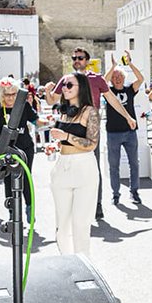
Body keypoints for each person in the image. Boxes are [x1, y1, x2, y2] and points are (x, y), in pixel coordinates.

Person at [46, 48, 132, 221]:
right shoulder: (66, 79)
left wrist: (127, 116)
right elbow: (51, 101)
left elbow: (113, 100)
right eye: (74, 58)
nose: (76, 60)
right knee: (69, 165)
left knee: (93, 166)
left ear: (87, 60)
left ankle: (97, 205)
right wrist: (48, 90)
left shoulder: (96, 79)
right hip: (71, 125)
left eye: (80, 58)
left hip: (90, 126)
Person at [48, 72, 100, 254]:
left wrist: (66, 136)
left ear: (81, 88)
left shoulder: (90, 112)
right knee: (61, 225)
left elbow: (92, 144)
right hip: (62, 166)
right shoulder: (64, 113)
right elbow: (62, 140)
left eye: (70, 85)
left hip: (84, 168)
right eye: (64, 85)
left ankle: (83, 267)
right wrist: (56, 143)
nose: (64, 88)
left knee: (80, 224)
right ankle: (66, 263)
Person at [0, 78, 38, 222]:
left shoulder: (23, 106)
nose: (11, 97)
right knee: (8, 179)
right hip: (6, 150)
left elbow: (36, 121)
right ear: (1, 94)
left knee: (25, 177)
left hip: (25, 148)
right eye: (7, 94)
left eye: (14, 94)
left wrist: (50, 122)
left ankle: (30, 208)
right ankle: (13, 213)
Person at [103, 51, 144, 201]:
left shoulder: (129, 89)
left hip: (130, 132)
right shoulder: (108, 91)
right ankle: (115, 194)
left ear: (124, 77)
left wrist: (130, 64)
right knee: (114, 166)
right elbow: (103, 81)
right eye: (114, 77)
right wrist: (113, 67)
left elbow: (141, 79)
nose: (117, 78)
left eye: (119, 76)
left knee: (134, 163)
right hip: (113, 133)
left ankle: (134, 192)